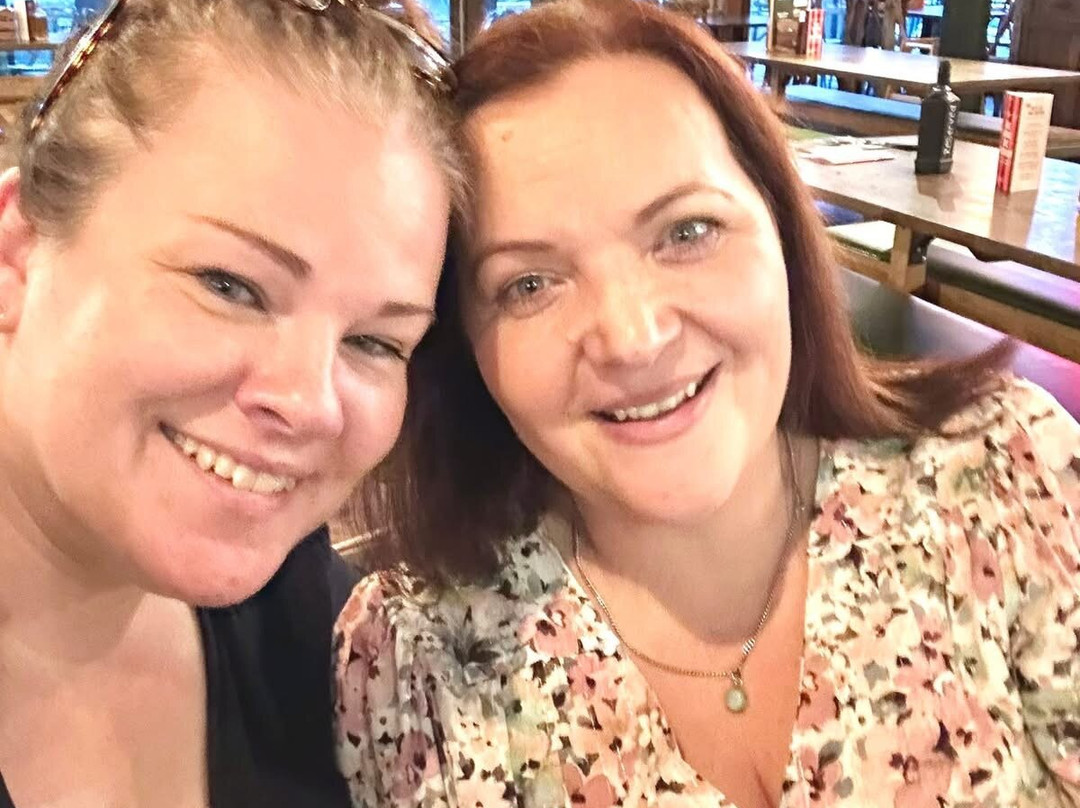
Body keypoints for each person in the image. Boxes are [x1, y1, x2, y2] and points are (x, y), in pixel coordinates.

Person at [334, 1, 1080, 807]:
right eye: (530, 283)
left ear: (782, 232)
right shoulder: (410, 661)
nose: (633, 338)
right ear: (463, 345)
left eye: (686, 232)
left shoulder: (1008, 481)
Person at [0, 0, 460, 805]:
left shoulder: (320, 630)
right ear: (17, 254)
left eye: (375, 342)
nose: (311, 404)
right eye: (230, 286)